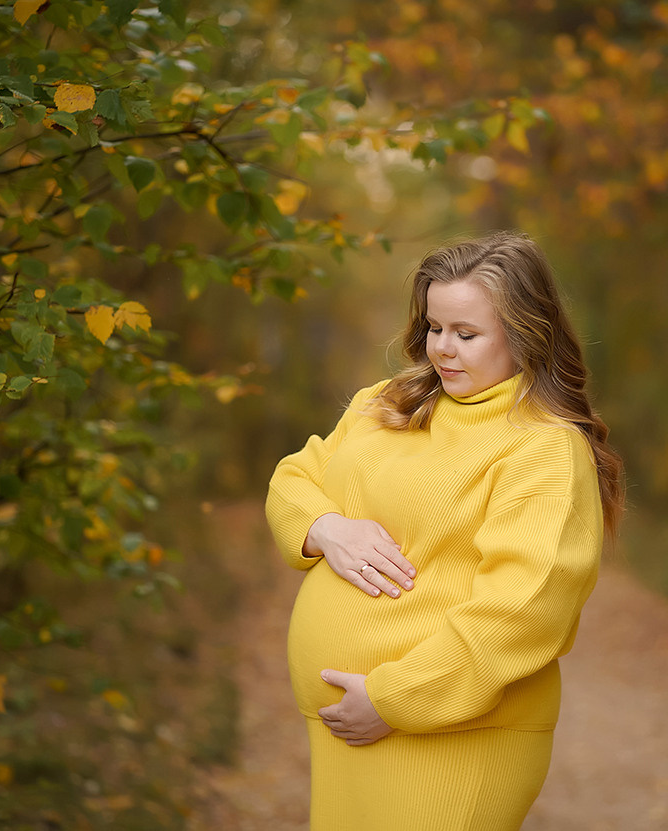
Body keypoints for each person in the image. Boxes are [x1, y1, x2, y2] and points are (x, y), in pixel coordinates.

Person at [265, 231, 624, 830]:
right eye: (434, 328)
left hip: (454, 732)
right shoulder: (388, 404)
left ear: (526, 332)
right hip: (352, 732)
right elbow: (295, 477)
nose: (442, 350)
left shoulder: (542, 448)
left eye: (466, 334)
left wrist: (392, 700)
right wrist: (326, 527)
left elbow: (522, 610)